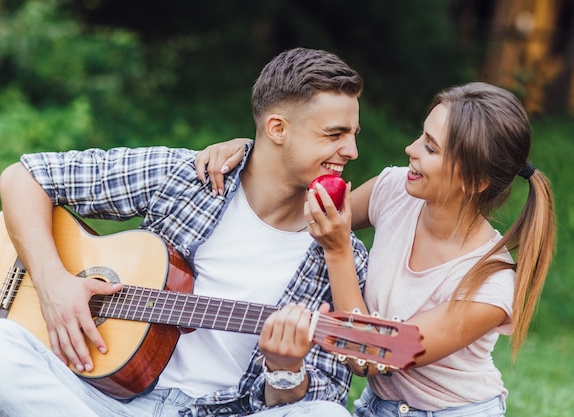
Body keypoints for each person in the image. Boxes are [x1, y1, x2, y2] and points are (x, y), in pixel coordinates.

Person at [0, 48, 369, 417]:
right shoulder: (187, 177)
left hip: (223, 412)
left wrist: (284, 370)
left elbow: (326, 391)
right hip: (98, 397)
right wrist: (53, 286)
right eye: (334, 135)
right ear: (277, 129)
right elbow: (23, 177)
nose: (351, 151)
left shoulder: (339, 254)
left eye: (353, 135)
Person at [194, 81, 556, 416]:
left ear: (476, 181)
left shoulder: (489, 286)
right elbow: (302, 213)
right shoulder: (394, 190)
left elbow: (364, 358)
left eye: (430, 147)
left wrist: (338, 253)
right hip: (376, 407)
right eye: (421, 136)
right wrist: (251, 152)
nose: (410, 149)